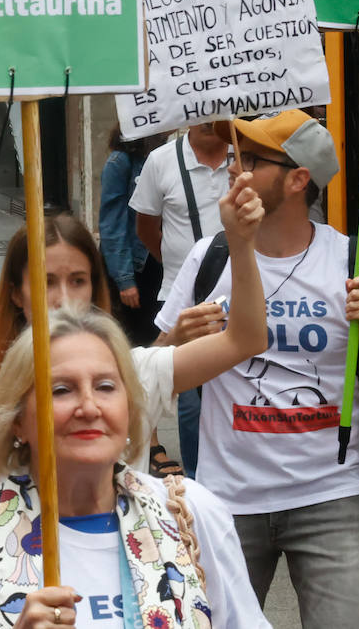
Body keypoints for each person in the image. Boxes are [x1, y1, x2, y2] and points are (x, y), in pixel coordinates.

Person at [157, 111, 359, 629]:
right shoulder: (209, 258)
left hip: (330, 500)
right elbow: (151, 379)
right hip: (225, 503)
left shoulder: (355, 264)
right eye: (234, 157)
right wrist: (176, 342)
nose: (234, 169)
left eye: (251, 160)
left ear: (298, 179)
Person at [0, 307, 270, 629]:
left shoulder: (191, 514)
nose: (89, 407)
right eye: (61, 390)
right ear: (17, 421)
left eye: (106, 386)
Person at [0, 174, 267, 513]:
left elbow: (245, 339)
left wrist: (240, 243)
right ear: (16, 293)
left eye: (78, 281)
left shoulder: (134, 370)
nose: (63, 299)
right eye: (46, 283)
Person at [129, 123, 231, 477]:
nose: (208, 116)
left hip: (243, 299)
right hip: (182, 300)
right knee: (190, 402)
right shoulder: (160, 161)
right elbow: (145, 226)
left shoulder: (246, 156)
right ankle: (197, 485)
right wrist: (187, 271)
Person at [98, 127, 163, 347]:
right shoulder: (120, 162)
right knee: (133, 341)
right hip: (135, 268)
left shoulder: (165, 155)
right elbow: (112, 225)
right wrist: (125, 280)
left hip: (159, 263)